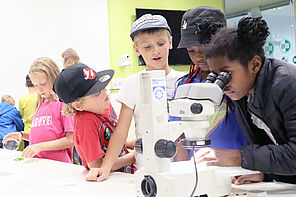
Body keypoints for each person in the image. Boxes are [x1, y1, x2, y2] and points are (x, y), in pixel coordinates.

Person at [86, 14, 185, 181]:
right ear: (137, 49)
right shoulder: (133, 83)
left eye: (161, 43)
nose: (156, 51)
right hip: (147, 168)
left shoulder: (183, 81)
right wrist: (106, 166)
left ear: (170, 42)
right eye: (147, 47)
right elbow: (121, 131)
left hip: (182, 168)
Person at [200, 16, 296, 184]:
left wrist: (239, 157)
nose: (222, 85)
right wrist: (264, 174)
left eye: (226, 74)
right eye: (216, 76)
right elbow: (279, 152)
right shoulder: (243, 94)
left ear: (254, 65)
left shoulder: (287, 85)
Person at [174, 6, 248, 158]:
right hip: (198, 167)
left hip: (240, 168)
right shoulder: (184, 86)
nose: (199, 57)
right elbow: (180, 136)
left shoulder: (240, 82)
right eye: (191, 51)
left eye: (204, 48)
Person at [53, 63, 136, 178]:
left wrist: (129, 143)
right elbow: (97, 167)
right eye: (96, 92)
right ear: (78, 105)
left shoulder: (103, 105)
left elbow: (107, 142)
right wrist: (133, 157)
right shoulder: (85, 123)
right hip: (110, 182)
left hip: (124, 175)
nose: (104, 91)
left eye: (101, 85)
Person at [3, 57, 74, 163]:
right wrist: (22, 135)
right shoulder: (40, 104)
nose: (39, 89)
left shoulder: (62, 103)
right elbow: (44, 137)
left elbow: (72, 139)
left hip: (57, 166)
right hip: (39, 164)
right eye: (36, 85)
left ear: (54, 78)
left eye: (43, 84)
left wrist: (40, 147)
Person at [18, 74, 37, 149]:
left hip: (27, 132)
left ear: (25, 84)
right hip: (39, 132)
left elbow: (21, 115)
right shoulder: (41, 97)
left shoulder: (22, 99)